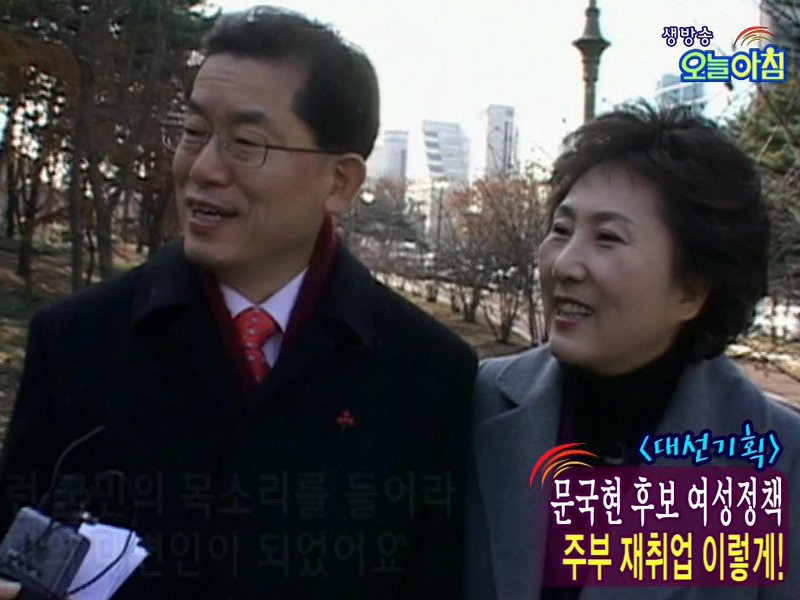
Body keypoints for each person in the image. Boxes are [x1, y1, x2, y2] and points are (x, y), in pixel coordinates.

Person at [0, 6, 477, 599]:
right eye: (193, 132)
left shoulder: (429, 376)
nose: (202, 168)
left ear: (340, 182)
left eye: (245, 143)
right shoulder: (76, 344)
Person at [465, 104, 800, 600]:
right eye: (561, 230)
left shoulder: (778, 459)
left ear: (691, 291)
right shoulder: (478, 401)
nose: (565, 265)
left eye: (607, 238)